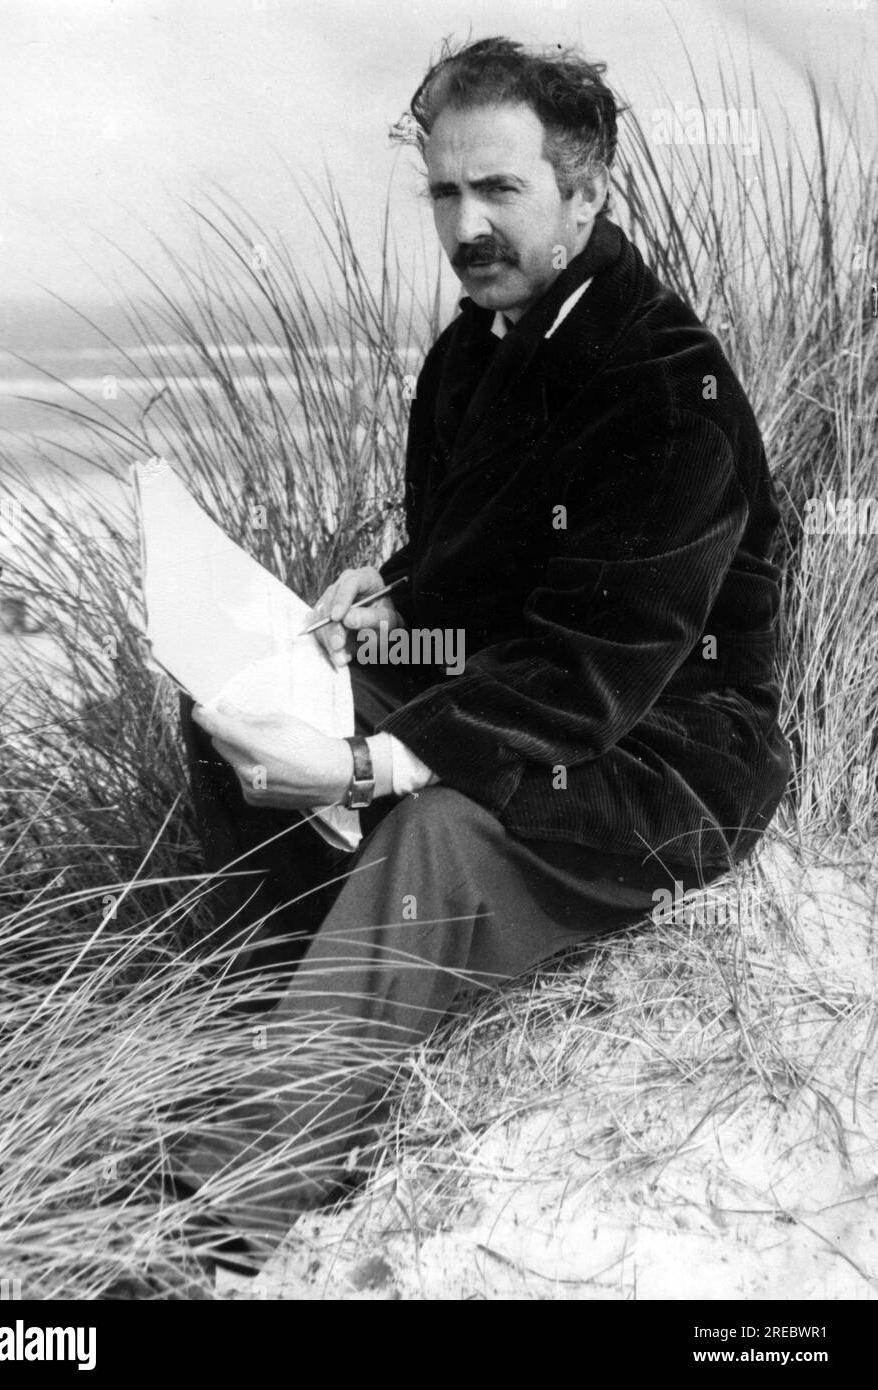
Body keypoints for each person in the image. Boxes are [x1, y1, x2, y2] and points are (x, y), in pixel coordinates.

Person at [172, 36, 792, 1269]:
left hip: (662, 757)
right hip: (525, 693)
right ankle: (306, 1025)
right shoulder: (472, 351)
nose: (467, 226)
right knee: (230, 711)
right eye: (446, 192)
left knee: (436, 830)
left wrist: (370, 765)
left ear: (588, 194)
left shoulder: (670, 391)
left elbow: (589, 671)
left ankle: (229, 1213)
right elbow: (474, 586)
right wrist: (393, 606)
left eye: (500, 190)